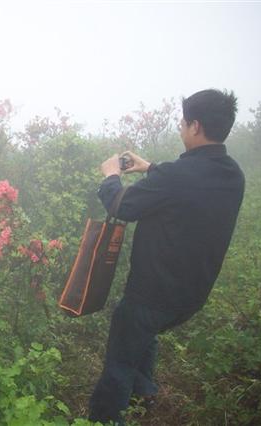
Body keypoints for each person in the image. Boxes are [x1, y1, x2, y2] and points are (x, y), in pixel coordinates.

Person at [88, 89, 245, 424]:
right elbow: (189, 186)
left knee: (121, 354)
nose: (180, 127)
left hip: (151, 294)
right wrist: (151, 168)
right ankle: (144, 393)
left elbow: (122, 205)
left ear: (195, 127)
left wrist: (110, 175)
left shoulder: (176, 177)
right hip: (190, 296)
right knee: (146, 332)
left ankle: (104, 418)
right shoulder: (233, 175)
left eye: (183, 122)